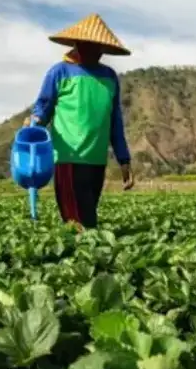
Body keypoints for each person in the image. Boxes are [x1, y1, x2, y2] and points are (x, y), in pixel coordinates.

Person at [26, 13, 134, 230]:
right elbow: (44, 107)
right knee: (78, 223)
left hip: (96, 160)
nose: (97, 52)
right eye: (90, 46)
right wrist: (34, 124)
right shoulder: (60, 72)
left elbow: (115, 121)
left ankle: (88, 257)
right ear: (78, 44)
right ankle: (83, 260)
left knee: (88, 216)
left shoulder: (109, 77)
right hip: (69, 158)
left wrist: (124, 160)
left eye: (99, 48)